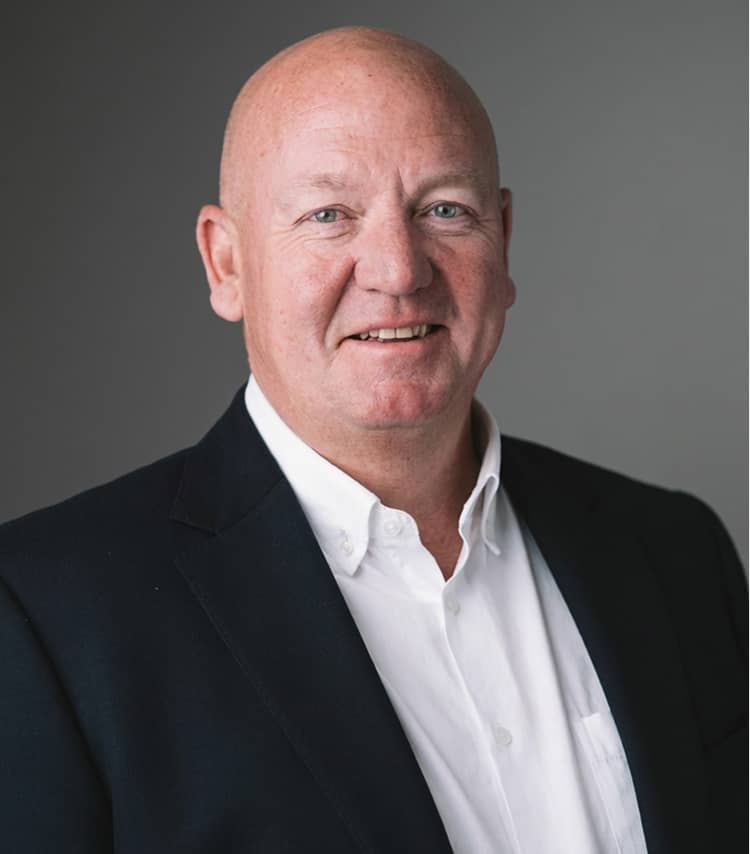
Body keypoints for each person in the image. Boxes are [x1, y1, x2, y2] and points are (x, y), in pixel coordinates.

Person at [0, 26, 745, 854]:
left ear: (502, 241)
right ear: (226, 264)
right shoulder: (47, 620)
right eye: (329, 214)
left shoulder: (677, 557)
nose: (397, 268)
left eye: (443, 210)